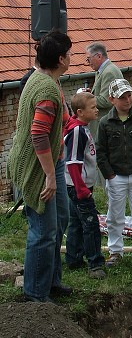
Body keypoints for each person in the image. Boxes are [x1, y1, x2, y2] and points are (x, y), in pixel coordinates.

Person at [8, 29, 73, 302]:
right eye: (69, 54)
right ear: (60, 58)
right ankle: (34, 295)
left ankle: (50, 283)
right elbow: (37, 133)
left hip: (52, 162)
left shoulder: (45, 79)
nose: (72, 57)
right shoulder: (45, 87)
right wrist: (49, 176)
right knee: (43, 232)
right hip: (38, 168)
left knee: (60, 222)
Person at [96, 78, 132, 268]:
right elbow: (101, 151)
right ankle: (115, 251)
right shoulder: (105, 123)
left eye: (129, 95)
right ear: (112, 99)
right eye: (122, 97)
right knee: (114, 216)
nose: (127, 100)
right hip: (116, 176)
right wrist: (109, 175)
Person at [63, 91, 106, 279]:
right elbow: (73, 162)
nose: (97, 110)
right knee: (90, 223)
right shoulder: (77, 131)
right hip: (78, 187)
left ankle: (73, 258)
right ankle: (95, 263)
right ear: (80, 111)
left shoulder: (82, 126)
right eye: (93, 108)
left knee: (76, 223)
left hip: (78, 185)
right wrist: (81, 189)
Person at [85, 42, 123, 138]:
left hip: (106, 126)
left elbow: (106, 101)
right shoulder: (102, 71)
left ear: (98, 56)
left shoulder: (109, 72)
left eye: (88, 59)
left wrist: (86, 98)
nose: (88, 63)